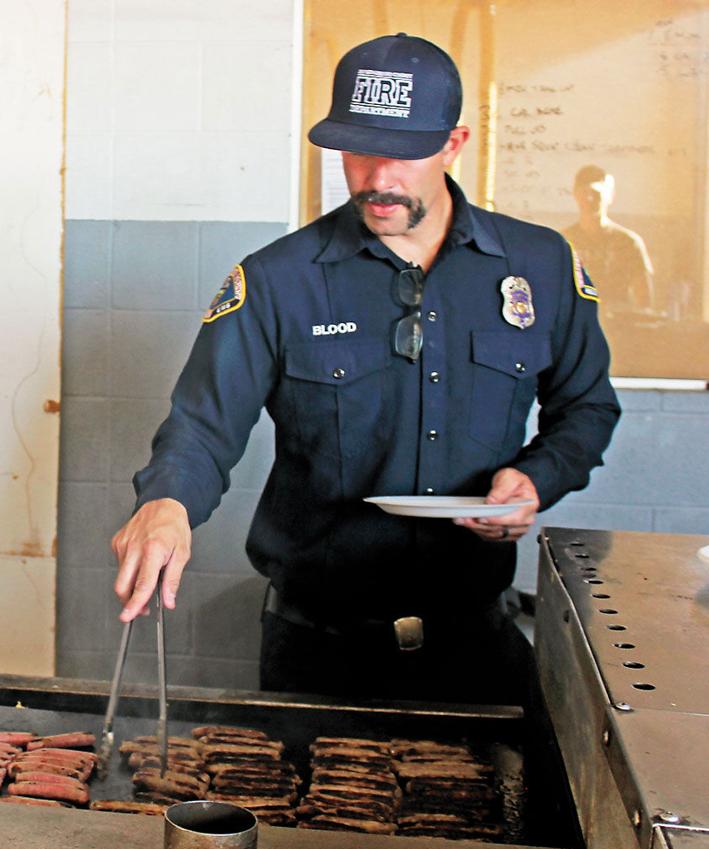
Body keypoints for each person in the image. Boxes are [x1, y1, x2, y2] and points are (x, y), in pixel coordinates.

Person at [109, 34, 620, 705]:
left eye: (403, 154)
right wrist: (165, 504)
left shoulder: (539, 266)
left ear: (453, 143)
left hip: (474, 649)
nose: (378, 179)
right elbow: (202, 427)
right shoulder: (276, 280)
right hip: (317, 654)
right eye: (356, 151)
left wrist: (535, 478)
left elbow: (585, 408)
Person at [562, 164, 655, 316]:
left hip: (619, 326)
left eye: (596, 193)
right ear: (575, 194)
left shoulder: (629, 242)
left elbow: (644, 300)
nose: (589, 199)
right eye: (584, 192)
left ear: (610, 196)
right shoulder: (564, 241)